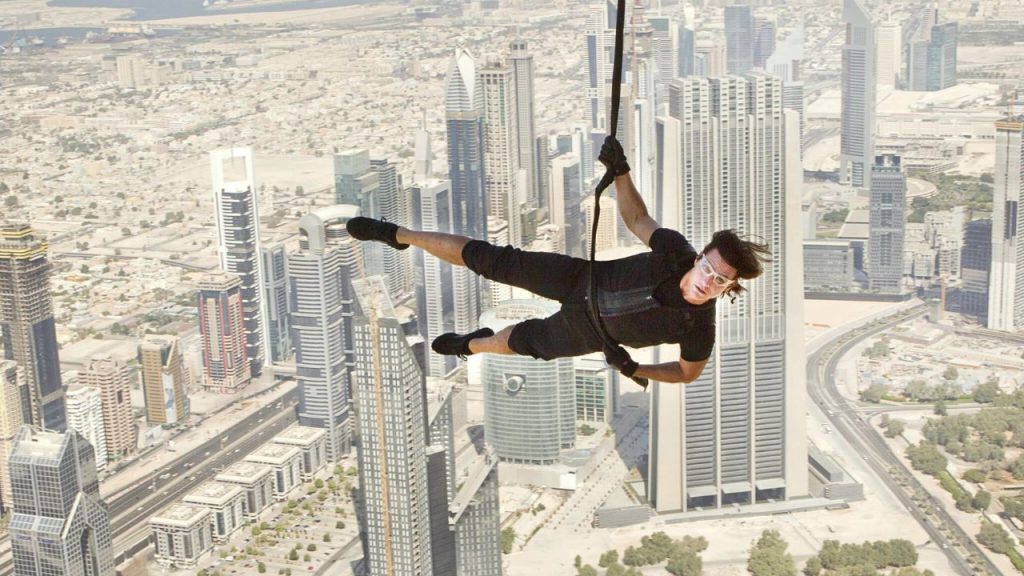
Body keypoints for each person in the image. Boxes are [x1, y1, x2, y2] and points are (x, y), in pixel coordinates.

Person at [345, 136, 771, 384]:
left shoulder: (699, 328)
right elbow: (638, 218)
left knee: (521, 342)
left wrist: (635, 367)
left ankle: (467, 344)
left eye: (719, 281)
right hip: (578, 280)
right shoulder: (674, 252)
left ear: (729, 288)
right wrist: (621, 172)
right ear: (699, 258)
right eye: (708, 269)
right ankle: (396, 234)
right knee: (489, 258)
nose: (707, 281)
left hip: (587, 334)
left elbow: (686, 373)